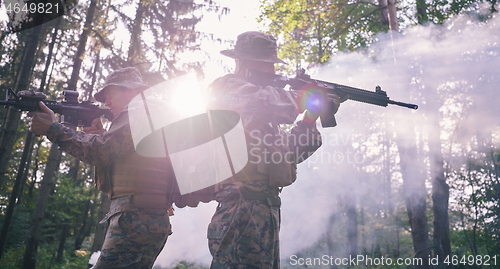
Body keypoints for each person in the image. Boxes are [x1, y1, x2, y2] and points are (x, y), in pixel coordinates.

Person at [205, 31, 343, 268]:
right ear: (244, 63)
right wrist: (304, 97)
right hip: (240, 207)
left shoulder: (265, 119)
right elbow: (262, 102)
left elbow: (291, 154)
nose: (272, 71)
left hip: (265, 209)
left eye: (273, 64)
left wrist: (310, 117)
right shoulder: (228, 87)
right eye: (266, 64)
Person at [28, 67, 175, 268]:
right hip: (142, 216)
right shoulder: (147, 112)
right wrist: (100, 136)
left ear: (131, 90)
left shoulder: (139, 111)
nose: (106, 103)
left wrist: (54, 129)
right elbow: (114, 157)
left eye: (110, 95)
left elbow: (102, 152)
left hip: (137, 217)